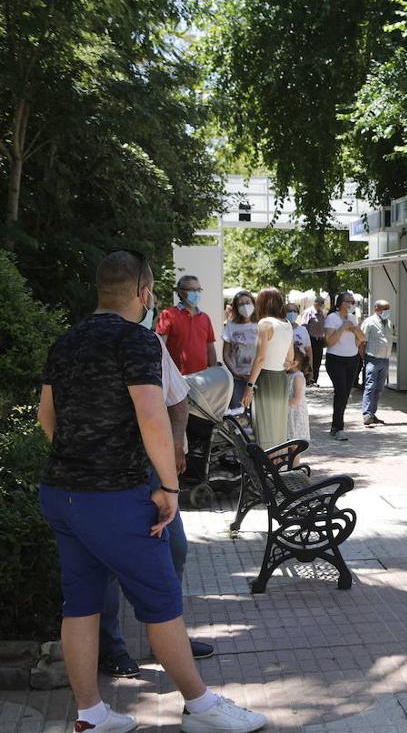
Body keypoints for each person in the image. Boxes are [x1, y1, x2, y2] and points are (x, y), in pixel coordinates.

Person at [38, 250, 265, 733]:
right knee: (161, 601)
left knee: (80, 603)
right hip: (117, 496)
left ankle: (91, 715)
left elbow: (46, 415)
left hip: (62, 492)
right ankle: (201, 707)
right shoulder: (136, 341)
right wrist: (167, 486)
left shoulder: (66, 341)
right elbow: (152, 415)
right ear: (144, 292)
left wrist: (78, 457)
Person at [99, 293, 214, 680]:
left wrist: (176, 445)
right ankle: (110, 647)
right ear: (144, 294)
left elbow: (177, 401)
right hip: (106, 475)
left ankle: (168, 638)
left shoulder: (149, 343)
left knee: (175, 549)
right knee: (106, 562)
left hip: (150, 469)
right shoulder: (82, 343)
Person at [157, 275, 218, 485]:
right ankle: (175, 476)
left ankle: (194, 473)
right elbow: (160, 346)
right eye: (191, 289)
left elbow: (210, 346)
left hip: (201, 384)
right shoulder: (168, 315)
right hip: (177, 384)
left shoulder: (205, 318)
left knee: (197, 431)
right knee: (178, 430)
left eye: (198, 289)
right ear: (180, 292)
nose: (196, 293)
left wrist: (213, 373)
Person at [241, 287, 294, 451]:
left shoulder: (265, 324)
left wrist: (249, 386)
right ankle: (278, 468)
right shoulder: (287, 324)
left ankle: (266, 471)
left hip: (266, 379)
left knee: (264, 428)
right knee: (278, 429)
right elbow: (290, 359)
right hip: (280, 379)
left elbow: (260, 358)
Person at [323, 292, 366, 441]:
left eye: (352, 302)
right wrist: (342, 328)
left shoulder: (353, 318)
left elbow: (362, 339)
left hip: (352, 360)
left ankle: (335, 425)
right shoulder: (332, 318)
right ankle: (340, 428)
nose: (351, 305)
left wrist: (355, 329)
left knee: (345, 394)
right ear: (340, 303)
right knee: (340, 391)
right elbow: (329, 342)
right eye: (348, 301)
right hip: (335, 360)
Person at [360, 299, 394, 426]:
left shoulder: (389, 323)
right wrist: (363, 358)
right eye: (385, 309)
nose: (387, 311)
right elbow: (362, 341)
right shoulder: (369, 322)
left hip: (385, 360)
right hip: (372, 359)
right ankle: (366, 414)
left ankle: (372, 414)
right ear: (377, 309)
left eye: (388, 308)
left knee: (379, 388)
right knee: (370, 386)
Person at [222, 290, 258, 410]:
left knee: (258, 415)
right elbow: (226, 354)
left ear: (253, 303)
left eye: (247, 302)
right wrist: (235, 372)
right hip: (238, 378)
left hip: (259, 377)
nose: (245, 306)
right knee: (238, 412)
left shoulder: (261, 324)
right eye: (241, 304)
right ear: (236, 307)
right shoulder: (231, 326)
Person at [299, 296, 327, 385]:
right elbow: (304, 326)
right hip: (310, 339)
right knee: (309, 360)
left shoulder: (321, 313)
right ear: (316, 303)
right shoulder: (308, 312)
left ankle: (315, 380)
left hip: (319, 340)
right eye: (321, 303)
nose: (322, 305)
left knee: (317, 361)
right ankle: (308, 379)